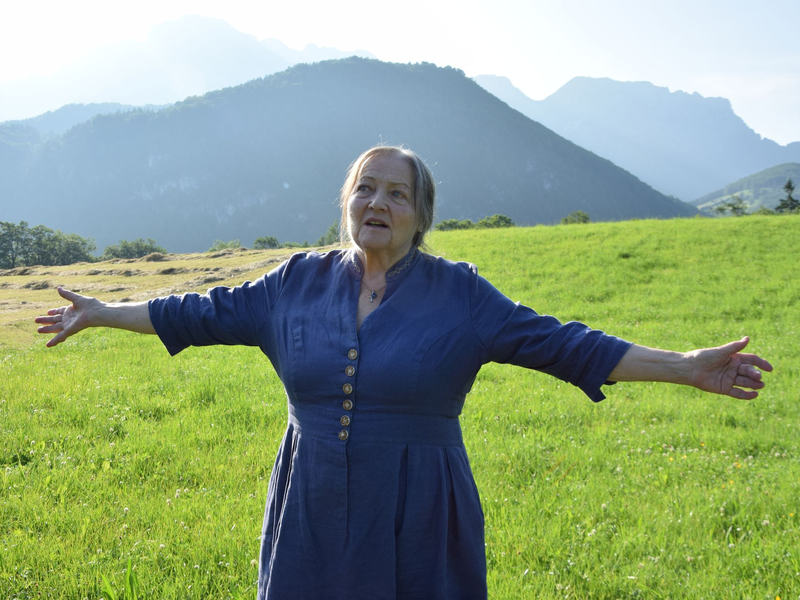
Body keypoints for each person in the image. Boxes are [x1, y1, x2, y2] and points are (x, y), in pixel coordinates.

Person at [36, 145, 772, 599]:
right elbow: (195, 312)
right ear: (344, 206)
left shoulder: (463, 296)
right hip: (312, 498)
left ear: (421, 215)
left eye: (396, 192)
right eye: (364, 188)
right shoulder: (294, 283)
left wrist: (685, 367)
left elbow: (567, 345)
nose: (377, 201)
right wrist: (101, 311)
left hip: (420, 505)